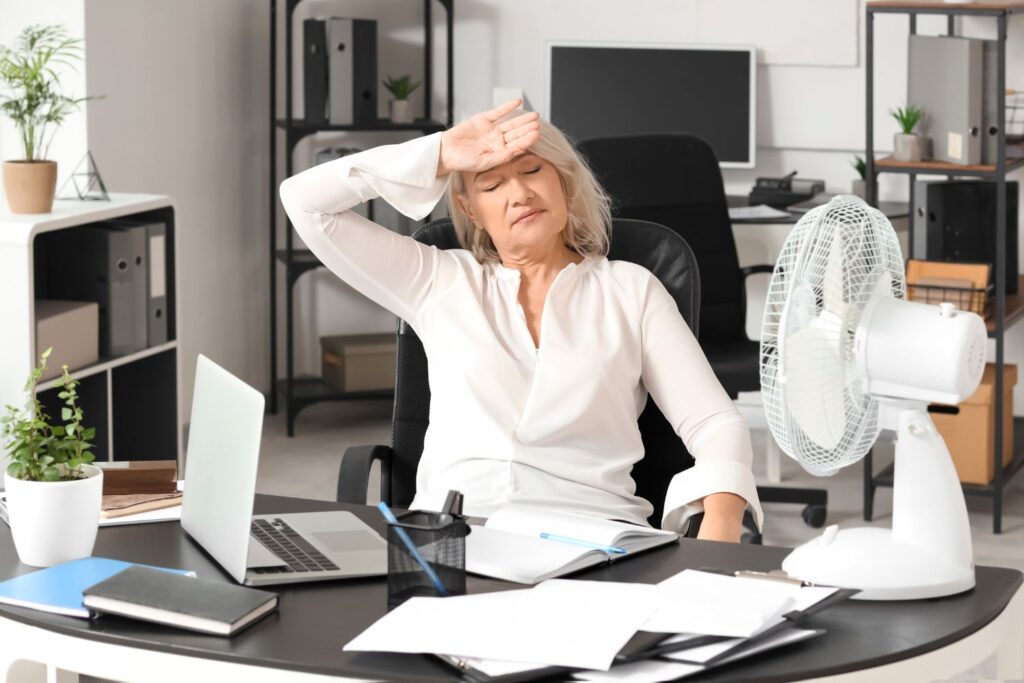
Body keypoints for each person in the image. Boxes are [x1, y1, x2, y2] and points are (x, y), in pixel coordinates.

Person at [279, 99, 762, 542]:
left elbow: (714, 421)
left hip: (591, 536)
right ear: (470, 207)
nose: (520, 194)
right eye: (492, 184)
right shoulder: (438, 279)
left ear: (564, 181)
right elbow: (304, 202)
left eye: (533, 170)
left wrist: (720, 522)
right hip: (453, 536)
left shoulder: (631, 289)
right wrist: (440, 153)